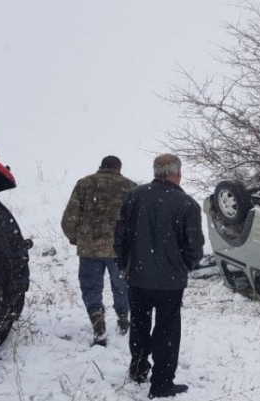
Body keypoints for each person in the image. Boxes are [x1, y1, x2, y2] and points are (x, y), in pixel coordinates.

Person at [114, 153, 205, 399]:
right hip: (170, 282)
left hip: (138, 277)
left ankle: (139, 369)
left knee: (140, 325)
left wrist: (124, 264)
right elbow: (195, 246)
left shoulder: (134, 196)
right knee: (167, 330)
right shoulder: (186, 204)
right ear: (177, 173)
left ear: (156, 172)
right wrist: (183, 265)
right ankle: (162, 383)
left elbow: (120, 235)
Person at [61, 155, 137, 346]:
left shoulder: (84, 184)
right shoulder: (129, 187)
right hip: (118, 250)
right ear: (118, 168)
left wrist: (75, 238)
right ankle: (123, 318)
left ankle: (98, 324)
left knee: (91, 288)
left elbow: (69, 218)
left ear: (101, 166)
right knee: (122, 287)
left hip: (90, 249)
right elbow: (137, 220)